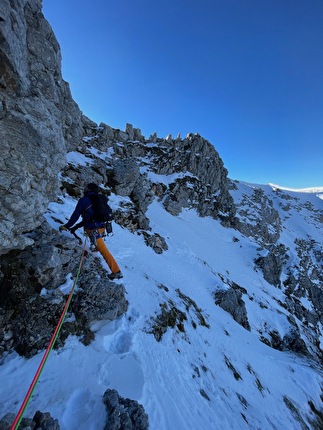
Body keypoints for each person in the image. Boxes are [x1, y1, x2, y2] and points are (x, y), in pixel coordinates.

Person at [59, 183, 123, 280]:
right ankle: (95, 246)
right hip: (102, 226)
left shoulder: (84, 200)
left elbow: (75, 215)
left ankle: (116, 271)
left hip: (93, 229)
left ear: (88, 189)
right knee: (98, 241)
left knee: (104, 251)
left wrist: (67, 226)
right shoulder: (100, 198)